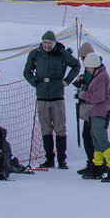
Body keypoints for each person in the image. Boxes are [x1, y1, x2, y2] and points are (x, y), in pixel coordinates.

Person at [24, 29, 81, 168]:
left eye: (49, 43)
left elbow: (76, 65)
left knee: (60, 128)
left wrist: (66, 81)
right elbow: (27, 71)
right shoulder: (35, 54)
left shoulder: (61, 53)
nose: (46, 45)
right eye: (44, 42)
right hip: (42, 96)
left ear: (54, 43)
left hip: (57, 96)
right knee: (45, 128)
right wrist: (35, 82)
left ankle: (62, 159)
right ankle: (49, 158)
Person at [77, 53, 110, 182]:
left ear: (94, 66)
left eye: (89, 67)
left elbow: (97, 97)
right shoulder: (98, 75)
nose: (88, 70)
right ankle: (97, 168)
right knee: (96, 142)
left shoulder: (102, 77)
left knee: (102, 142)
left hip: (99, 113)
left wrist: (83, 95)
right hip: (94, 113)